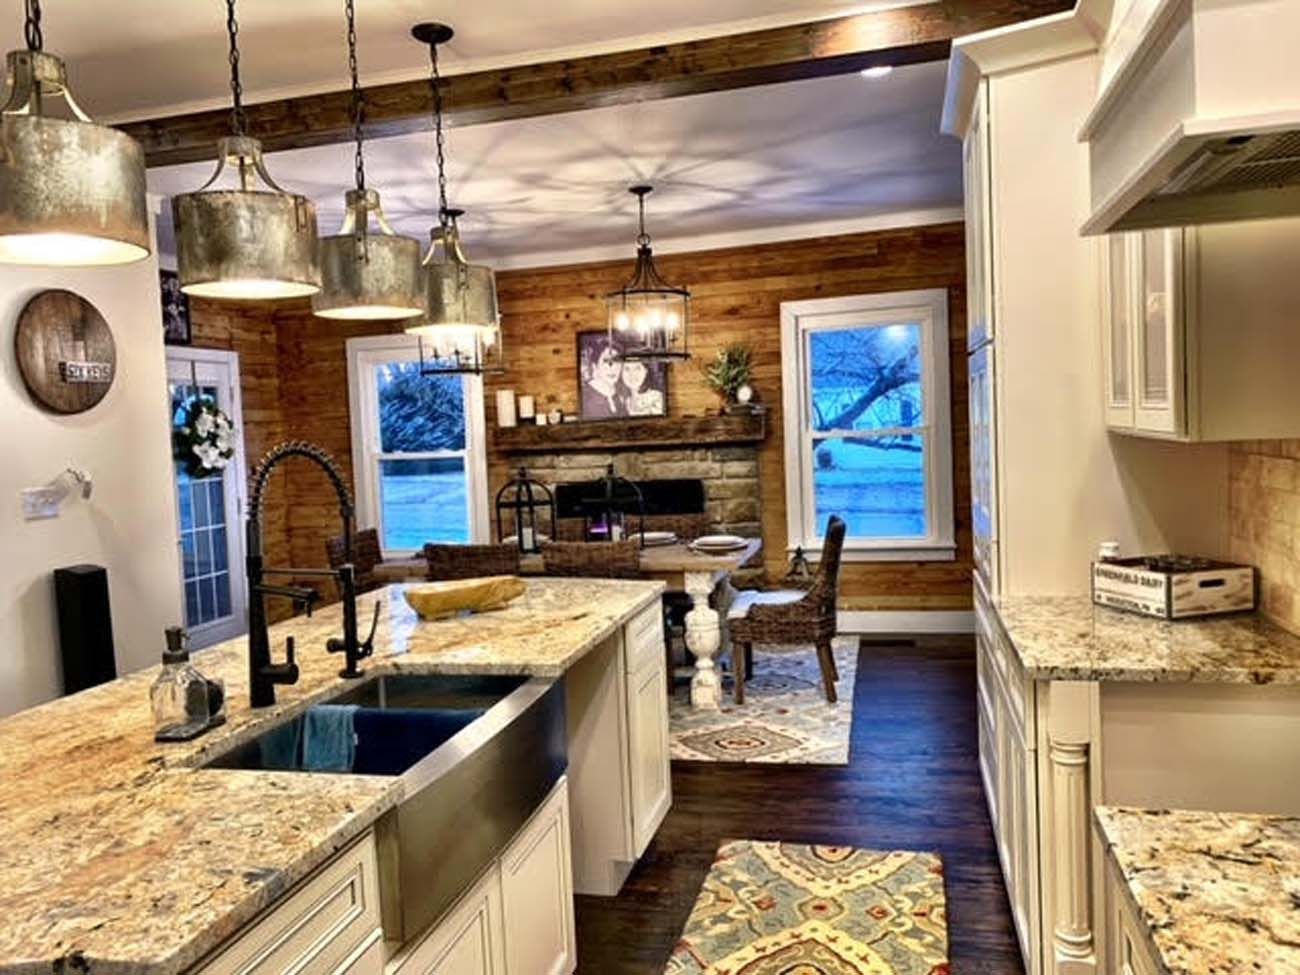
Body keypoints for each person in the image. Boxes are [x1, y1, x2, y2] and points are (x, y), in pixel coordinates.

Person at [581, 338, 624, 419]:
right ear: (595, 366)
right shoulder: (585, 397)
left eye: (617, 361)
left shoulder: (618, 394)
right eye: (606, 361)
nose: (613, 368)